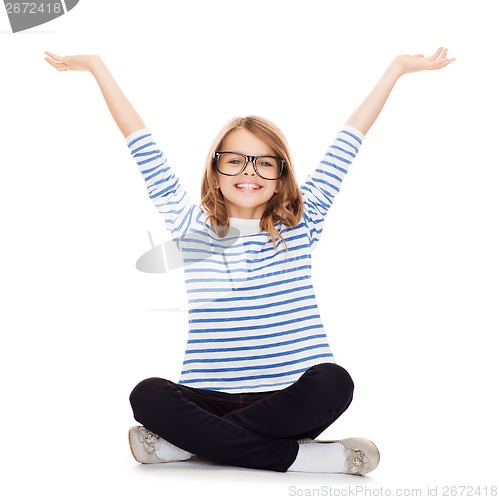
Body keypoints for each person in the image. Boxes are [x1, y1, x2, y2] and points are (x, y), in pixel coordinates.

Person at [44, 47, 455, 475]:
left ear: (281, 178)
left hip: (288, 398)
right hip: (205, 395)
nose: (249, 171)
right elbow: (141, 144)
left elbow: (346, 143)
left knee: (335, 382)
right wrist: (97, 68)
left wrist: (397, 70)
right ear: (216, 173)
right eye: (236, 160)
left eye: (264, 163)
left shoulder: (301, 221)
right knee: (146, 394)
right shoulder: (191, 227)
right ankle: (308, 459)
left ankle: (189, 447)